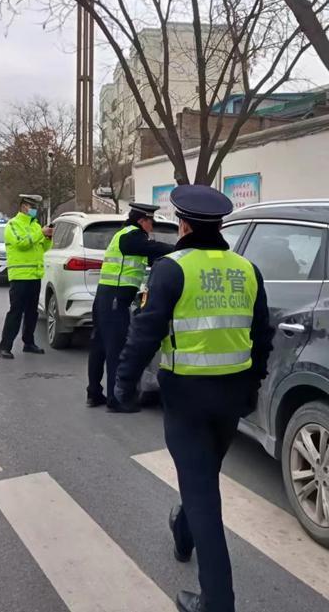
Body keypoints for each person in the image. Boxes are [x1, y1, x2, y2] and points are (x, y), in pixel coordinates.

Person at [113, 185, 274, 612]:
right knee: (201, 476)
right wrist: (253, 387)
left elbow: (144, 331)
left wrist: (124, 385)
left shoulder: (171, 268)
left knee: (202, 493)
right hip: (232, 397)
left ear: (183, 225)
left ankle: (217, 602)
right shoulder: (247, 269)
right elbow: (262, 336)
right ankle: (182, 530)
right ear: (219, 225)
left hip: (187, 398)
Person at [86, 202, 175, 409]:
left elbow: (152, 255)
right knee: (115, 348)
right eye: (151, 222)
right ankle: (116, 400)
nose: (152, 227)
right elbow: (152, 248)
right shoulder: (132, 236)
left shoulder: (125, 235)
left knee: (100, 345)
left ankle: (94, 393)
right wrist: (177, 249)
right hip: (116, 299)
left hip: (106, 297)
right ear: (142, 221)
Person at [0, 194, 53, 359]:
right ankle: (4, 347)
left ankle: (29, 342)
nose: (35, 210)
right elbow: (21, 243)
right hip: (20, 276)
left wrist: (48, 237)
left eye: (36, 207)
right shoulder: (13, 225)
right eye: (32, 206)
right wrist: (40, 233)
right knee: (15, 312)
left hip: (34, 275)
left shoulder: (35, 225)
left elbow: (43, 248)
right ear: (23, 206)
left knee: (32, 313)